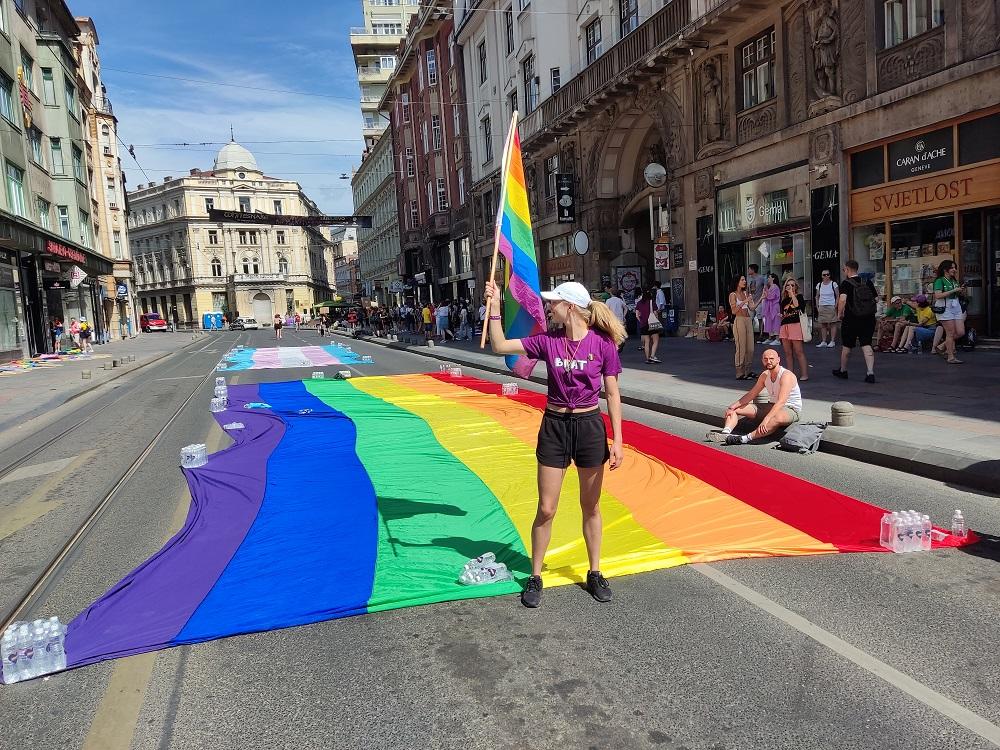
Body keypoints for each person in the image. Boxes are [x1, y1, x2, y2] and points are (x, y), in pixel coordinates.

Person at [484, 279, 625, 608]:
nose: (549, 307)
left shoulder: (602, 344)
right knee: (546, 508)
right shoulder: (548, 341)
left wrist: (618, 439)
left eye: (554, 303)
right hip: (555, 426)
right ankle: (535, 575)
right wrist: (493, 308)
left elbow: (613, 394)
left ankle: (594, 571)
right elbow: (500, 346)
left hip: (590, 427)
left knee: (590, 506)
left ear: (570, 307)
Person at [706, 349, 802, 445]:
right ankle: (725, 434)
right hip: (772, 405)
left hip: (790, 409)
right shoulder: (764, 375)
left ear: (778, 360)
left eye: (771, 359)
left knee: (776, 417)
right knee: (736, 409)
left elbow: (781, 401)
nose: (768, 361)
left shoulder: (786, 375)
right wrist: (732, 407)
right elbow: (752, 394)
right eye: (766, 359)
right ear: (762, 360)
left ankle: (744, 438)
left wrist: (766, 419)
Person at [833, 259, 877, 383]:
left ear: (847, 269)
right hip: (868, 318)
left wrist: (839, 314)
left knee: (847, 345)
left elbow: (842, 300)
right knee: (866, 344)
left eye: (844, 269)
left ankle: (843, 370)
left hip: (851, 318)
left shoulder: (846, 284)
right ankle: (870, 372)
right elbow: (876, 298)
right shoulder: (867, 281)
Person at [932, 259, 967, 364]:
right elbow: (937, 295)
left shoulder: (953, 280)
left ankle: (942, 345)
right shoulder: (939, 280)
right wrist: (954, 291)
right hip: (945, 307)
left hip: (955, 306)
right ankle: (950, 357)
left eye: (954, 267)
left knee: (961, 332)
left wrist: (961, 291)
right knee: (950, 333)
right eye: (952, 268)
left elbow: (956, 293)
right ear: (945, 270)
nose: (954, 270)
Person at [779, 278, 809, 381]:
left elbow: (797, 305)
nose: (790, 287)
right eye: (788, 285)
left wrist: (792, 294)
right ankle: (790, 374)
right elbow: (783, 313)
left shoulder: (799, 297)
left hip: (795, 325)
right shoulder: (783, 300)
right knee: (787, 352)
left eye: (793, 285)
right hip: (785, 325)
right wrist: (781, 315)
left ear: (796, 287)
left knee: (799, 351)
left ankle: (804, 374)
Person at [728, 275, 757, 380]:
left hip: (748, 320)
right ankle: (739, 372)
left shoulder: (746, 293)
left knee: (750, 348)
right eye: (742, 280)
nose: (744, 281)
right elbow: (733, 311)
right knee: (741, 347)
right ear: (737, 281)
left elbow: (752, 308)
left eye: (744, 280)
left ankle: (747, 371)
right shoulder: (733, 295)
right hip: (739, 320)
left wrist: (762, 298)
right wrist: (745, 301)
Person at [635, 288, 662, 364]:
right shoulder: (651, 302)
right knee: (655, 340)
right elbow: (656, 313)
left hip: (643, 324)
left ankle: (647, 358)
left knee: (646, 342)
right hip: (652, 324)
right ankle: (652, 356)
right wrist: (656, 319)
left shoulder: (639, 303)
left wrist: (641, 321)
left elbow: (637, 315)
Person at [814, 270, 840, 347]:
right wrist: (817, 306)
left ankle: (832, 341)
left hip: (831, 305)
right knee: (823, 324)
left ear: (829, 275)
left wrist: (835, 305)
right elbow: (817, 296)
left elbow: (838, 295)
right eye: (824, 275)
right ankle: (824, 341)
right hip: (822, 306)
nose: (826, 276)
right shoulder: (819, 285)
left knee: (833, 323)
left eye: (827, 274)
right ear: (821, 276)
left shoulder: (833, 284)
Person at [761, 273, 781, 345]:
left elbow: (771, 296)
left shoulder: (775, 287)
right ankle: (770, 337)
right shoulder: (770, 287)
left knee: (776, 322)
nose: (768, 279)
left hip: (774, 307)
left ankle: (777, 339)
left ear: (773, 278)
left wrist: (766, 293)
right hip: (770, 307)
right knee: (769, 322)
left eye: (769, 277)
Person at [747, 264, 765, 342]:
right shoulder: (748, 279)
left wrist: (763, 297)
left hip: (759, 301)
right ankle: (750, 335)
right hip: (751, 301)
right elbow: (747, 289)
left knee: (760, 318)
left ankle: (761, 334)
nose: (748, 271)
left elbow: (765, 286)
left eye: (749, 269)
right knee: (750, 318)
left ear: (753, 270)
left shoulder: (761, 278)